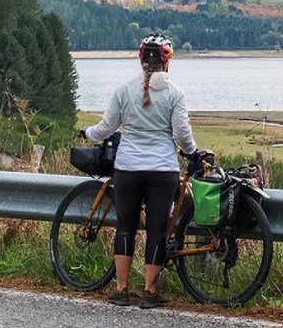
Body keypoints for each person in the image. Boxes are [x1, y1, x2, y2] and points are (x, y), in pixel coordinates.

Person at [80, 34, 197, 309]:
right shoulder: (175, 93)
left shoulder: (124, 90)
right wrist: (192, 152)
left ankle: (121, 290)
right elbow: (181, 133)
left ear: (141, 59)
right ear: (166, 63)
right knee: (157, 229)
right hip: (162, 171)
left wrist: (87, 132)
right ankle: (149, 292)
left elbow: (106, 128)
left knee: (126, 227)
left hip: (128, 169)